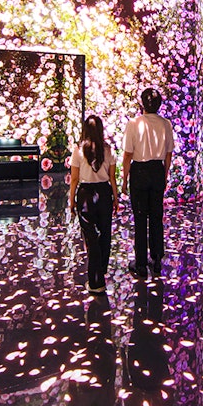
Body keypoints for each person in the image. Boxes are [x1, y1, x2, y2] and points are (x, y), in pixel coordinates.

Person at [121, 88, 176, 279]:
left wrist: (124, 179)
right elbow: (168, 154)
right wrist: (165, 174)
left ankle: (141, 263)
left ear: (142, 103)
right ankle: (157, 259)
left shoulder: (134, 124)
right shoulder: (165, 124)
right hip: (157, 171)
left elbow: (128, 154)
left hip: (139, 171)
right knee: (156, 216)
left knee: (140, 217)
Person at [69, 115, 118, 294]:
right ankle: (101, 270)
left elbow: (74, 179)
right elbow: (112, 177)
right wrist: (116, 197)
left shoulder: (78, 151)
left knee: (90, 237)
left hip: (85, 195)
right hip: (104, 193)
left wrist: (71, 200)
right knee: (105, 234)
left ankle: (95, 280)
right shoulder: (108, 150)